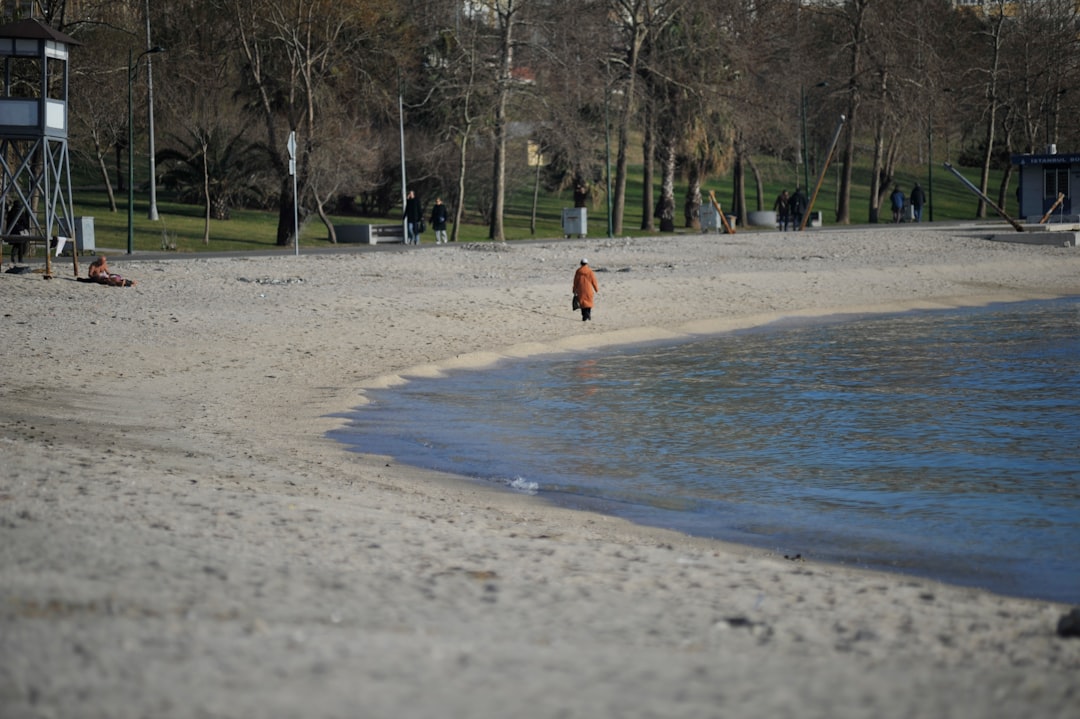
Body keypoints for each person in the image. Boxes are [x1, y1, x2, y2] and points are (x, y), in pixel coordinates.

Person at [572, 258, 599, 322]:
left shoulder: (578, 271)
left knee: (582, 303)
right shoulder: (590, 271)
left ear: (581, 263)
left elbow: (575, 281)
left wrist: (574, 289)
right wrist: (596, 289)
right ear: (587, 264)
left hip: (580, 290)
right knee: (589, 303)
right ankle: (588, 315)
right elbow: (594, 281)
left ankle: (584, 316)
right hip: (589, 289)